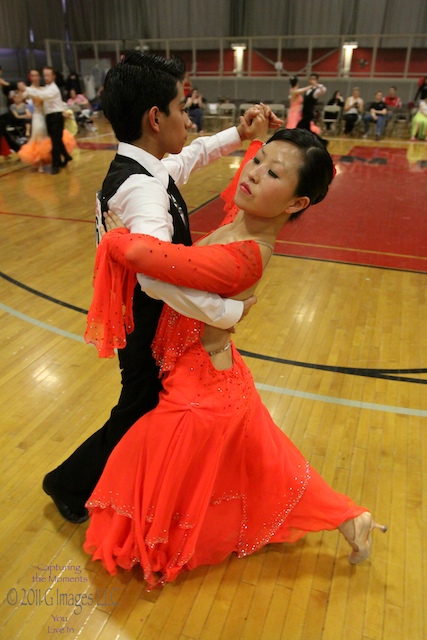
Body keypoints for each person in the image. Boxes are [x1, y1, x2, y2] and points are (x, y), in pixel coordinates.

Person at [82, 126, 387, 589]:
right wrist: (242, 134)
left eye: (273, 173)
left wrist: (111, 227)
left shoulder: (247, 255)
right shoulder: (243, 217)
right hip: (212, 367)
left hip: (199, 385)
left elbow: (145, 254)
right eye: (257, 160)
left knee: (143, 451)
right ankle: (352, 518)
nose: (253, 173)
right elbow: (175, 171)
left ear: (296, 204)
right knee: (271, 461)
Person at [42, 52, 283, 524]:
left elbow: (188, 158)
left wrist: (239, 134)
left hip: (140, 316)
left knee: (141, 404)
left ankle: (89, 483)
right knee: (140, 404)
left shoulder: (144, 169)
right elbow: (156, 276)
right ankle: (70, 483)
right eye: (181, 106)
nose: (188, 116)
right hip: (144, 322)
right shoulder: (144, 190)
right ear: (156, 117)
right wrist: (225, 312)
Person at [17, 70, 75, 172]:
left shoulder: (48, 89)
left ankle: (55, 165)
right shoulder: (35, 89)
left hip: (50, 116)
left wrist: (64, 110)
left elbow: (43, 95)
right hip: (40, 116)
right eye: (33, 75)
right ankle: (61, 157)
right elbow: (22, 97)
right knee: (47, 138)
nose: (35, 77)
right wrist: (22, 91)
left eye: (37, 75)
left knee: (54, 140)